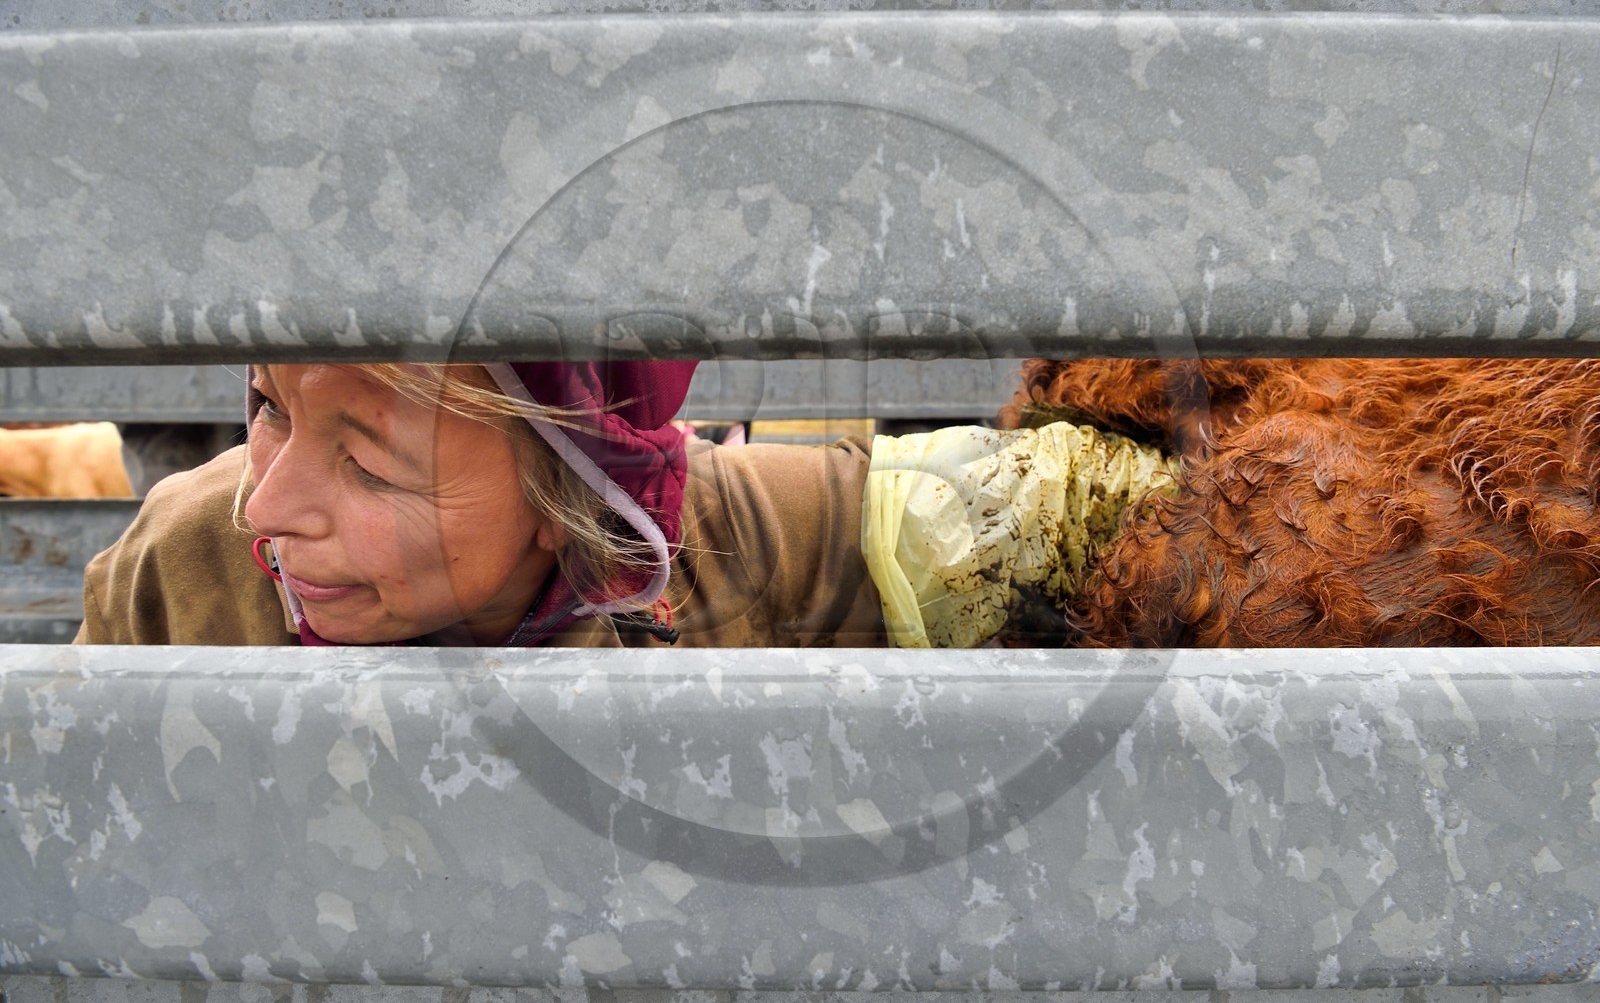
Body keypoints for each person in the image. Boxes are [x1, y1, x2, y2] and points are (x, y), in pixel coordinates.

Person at [74, 359, 1172, 648]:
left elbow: (1061, 511)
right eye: (265, 404)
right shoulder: (176, 570)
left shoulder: (731, 545)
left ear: (571, 488)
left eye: (371, 466)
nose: (265, 509)